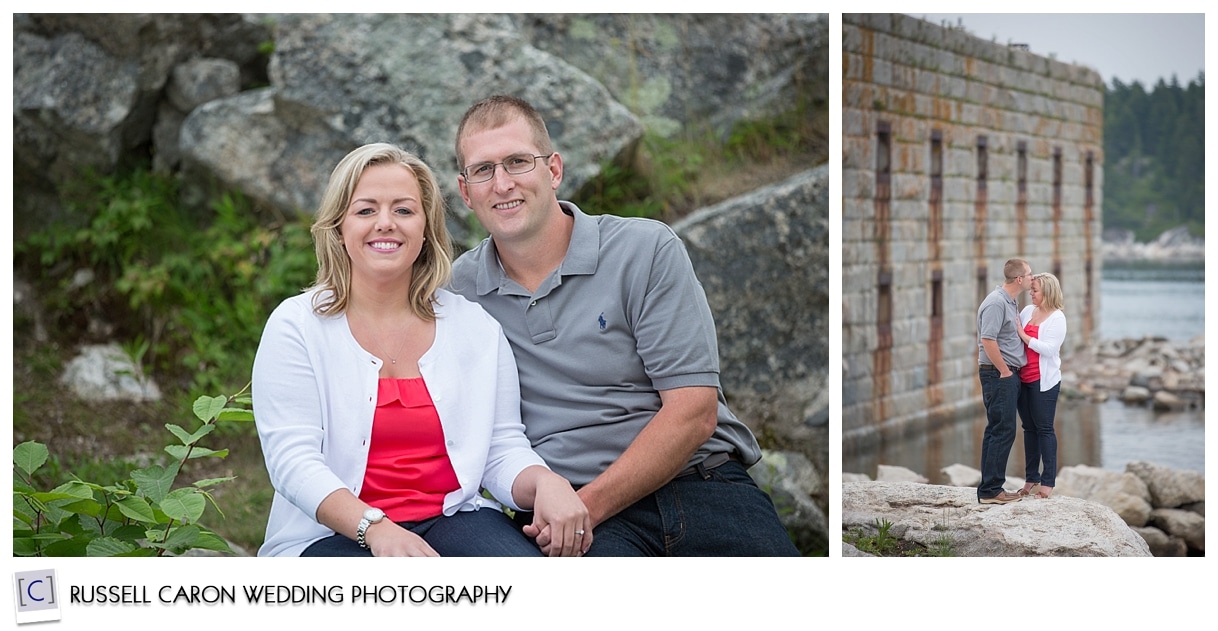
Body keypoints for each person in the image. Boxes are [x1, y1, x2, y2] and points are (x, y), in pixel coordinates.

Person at [448, 95, 799, 556]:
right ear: (465, 190)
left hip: (701, 484)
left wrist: (583, 511)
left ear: (553, 170)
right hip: (574, 509)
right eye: (484, 170)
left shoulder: (644, 249)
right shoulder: (459, 292)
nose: (502, 183)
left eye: (518, 162)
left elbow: (693, 412)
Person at [252, 143, 591, 557]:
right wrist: (377, 530)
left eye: (404, 210)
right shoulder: (297, 327)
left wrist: (544, 482)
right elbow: (293, 462)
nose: (385, 224)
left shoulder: (475, 327)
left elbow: (501, 448)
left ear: (426, 228)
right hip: (331, 534)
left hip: (454, 518)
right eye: (365, 210)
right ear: (338, 227)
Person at [976, 258, 1034, 504]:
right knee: (1002, 430)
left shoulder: (1010, 301)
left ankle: (990, 487)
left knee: (998, 429)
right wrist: (1005, 372)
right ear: (1019, 279)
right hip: (999, 374)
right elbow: (987, 340)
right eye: (1030, 274)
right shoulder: (996, 303)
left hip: (1007, 373)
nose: (1034, 278)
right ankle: (991, 491)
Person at [1015, 273, 1066, 499]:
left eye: (1035, 290)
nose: (1031, 293)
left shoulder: (1057, 318)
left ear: (1048, 291)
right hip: (1022, 379)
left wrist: (1023, 335)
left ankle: (1048, 483)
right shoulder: (1027, 312)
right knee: (1029, 429)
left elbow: (1048, 349)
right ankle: (1030, 478)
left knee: (1044, 429)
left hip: (1044, 382)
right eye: (1031, 289)